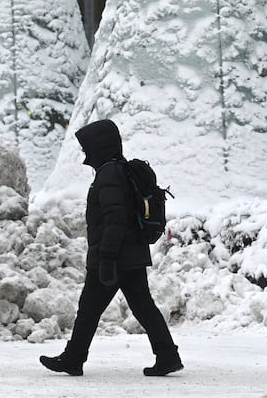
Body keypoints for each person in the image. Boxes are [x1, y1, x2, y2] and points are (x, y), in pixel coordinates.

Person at [39, 119, 183, 377]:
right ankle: (168, 355)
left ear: (99, 147)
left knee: (89, 308)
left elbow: (115, 218)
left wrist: (106, 256)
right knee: (142, 306)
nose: (85, 155)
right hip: (132, 254)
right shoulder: (119, 171)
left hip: (114, 255)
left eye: (87, 149)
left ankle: (73, 359)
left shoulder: (109, 175)